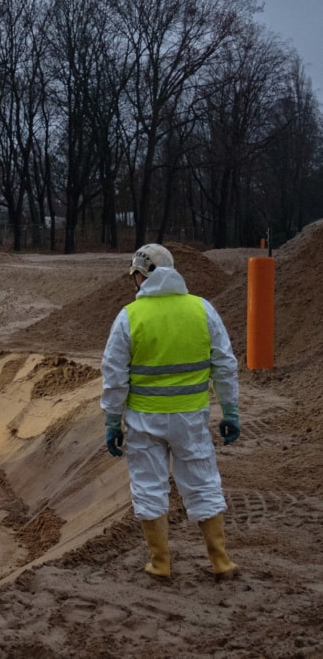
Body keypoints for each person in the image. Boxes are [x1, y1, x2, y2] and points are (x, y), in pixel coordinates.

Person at [101, 243, 242, 579]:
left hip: (143, 419)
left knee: (149, 487)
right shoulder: (201, 309)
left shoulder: (129, 316)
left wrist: (111, 419)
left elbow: (114, 375)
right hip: (190, 418)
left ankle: (160, 563)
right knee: (203, 483)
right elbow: (225, 364)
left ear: (140, 275)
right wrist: (230, 410)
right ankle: (220, 561)